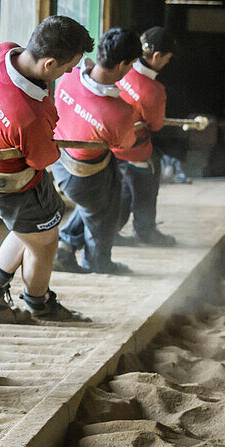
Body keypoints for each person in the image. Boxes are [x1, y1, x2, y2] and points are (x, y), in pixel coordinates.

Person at [0, 16, 95, 324]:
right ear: (49, 64)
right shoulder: (30, 117)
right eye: (67, 67)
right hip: (12, 183)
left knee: (28, 231)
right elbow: (42, 160)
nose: (71, 72)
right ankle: (40, 303)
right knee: (46, 241)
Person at [51, 27, 141, 276]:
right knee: (107, 211)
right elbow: (125, 146)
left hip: (58, 160)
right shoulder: (119, 112)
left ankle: (65, 247)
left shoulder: (68, 77)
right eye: (132, 63)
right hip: (86, 178)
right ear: (123, 64)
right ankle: (98, 262)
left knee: (91, 207)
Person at [115, 26, 177, 247]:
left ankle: (112, 230)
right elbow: (156, 125)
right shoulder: (153, 90)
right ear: (157, 55)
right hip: (134, 147)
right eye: (167, 59)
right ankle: (145, 231)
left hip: (113, 145)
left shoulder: (122, 71)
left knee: (124, 187)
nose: (167, 63)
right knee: (148, 179)